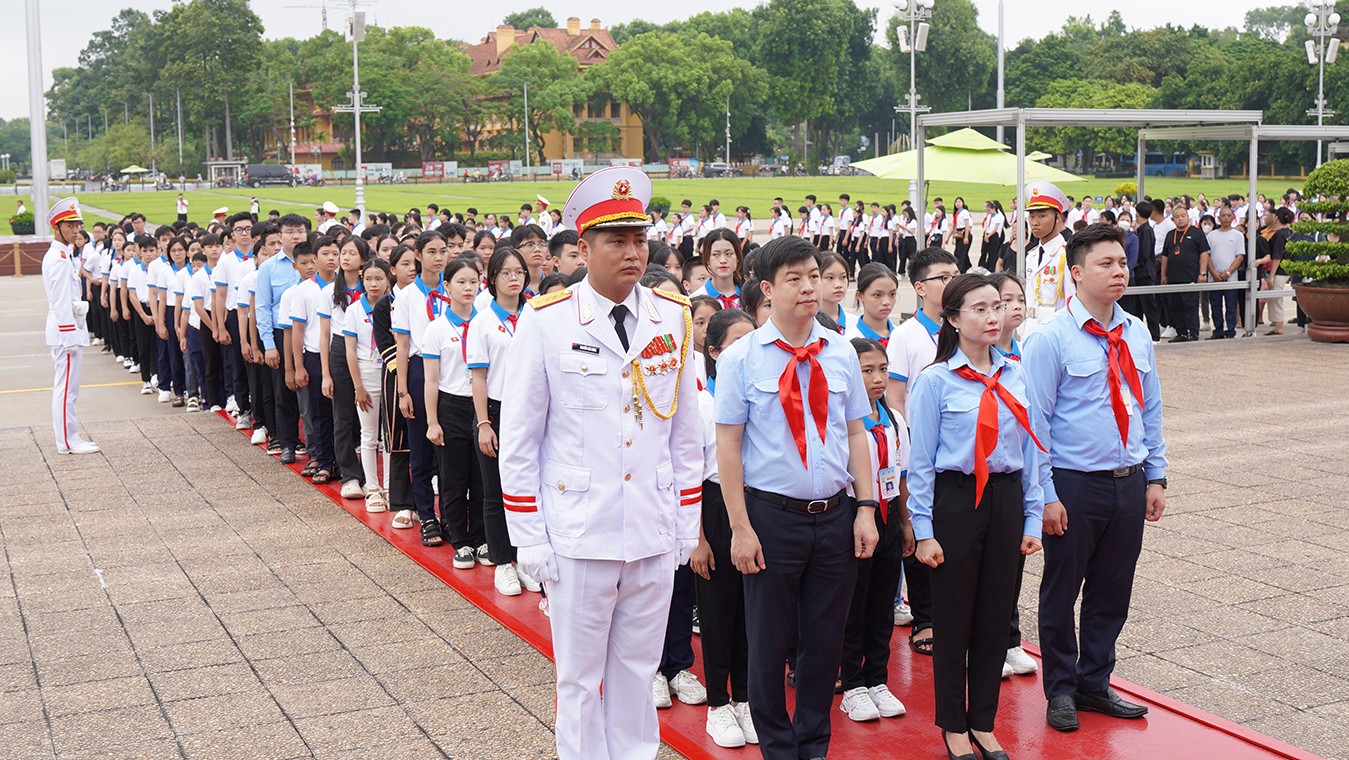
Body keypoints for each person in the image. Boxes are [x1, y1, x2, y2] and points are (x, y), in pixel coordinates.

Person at [499, 167, 703, 760]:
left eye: (639, 240)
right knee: (580, 680)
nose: (633, 253)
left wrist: (685, 522)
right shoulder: (546, 321)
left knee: (639, 674)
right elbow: (520, 440)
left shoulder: (673, 315)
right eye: (617, 241)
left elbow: (684, 434)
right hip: (578, 531)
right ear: (582, 249)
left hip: (650, 525)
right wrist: (528, 534)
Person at [714, 235, 878, 760]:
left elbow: (856, 432)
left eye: (814, 275)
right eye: (795, 278)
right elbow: (729, 445)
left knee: (823, 644)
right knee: (767, 644)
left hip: (834, 515)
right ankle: (778, 749)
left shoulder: (839, 352)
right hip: (770, 517)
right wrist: (740, 527)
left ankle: (814, 744)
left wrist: (867, 508)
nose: (810, 287)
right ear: (767, 287)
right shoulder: (742, 358)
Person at [1022, 223, 1168, 734]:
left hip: (1127, 480)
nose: (1119, 272)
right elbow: (1034, 423)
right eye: (1106, 264)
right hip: (1073, 484)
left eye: (1122, 263)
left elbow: (1150, 408)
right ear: (1076, 272)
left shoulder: (1135, 330)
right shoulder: (1047, 339)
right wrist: (1046, 495)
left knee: (1113, 588)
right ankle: (1060, 688)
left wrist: (1156, 476)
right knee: (1062, 590)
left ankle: (1094, 681)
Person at [908, 273, 1046, 760]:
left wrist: (1032, 520)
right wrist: (923, 531)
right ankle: (953, 725)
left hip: (1006, 499)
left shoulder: (1016, 372)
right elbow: (920, 464)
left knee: (995, 616)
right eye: (980, 309)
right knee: (954, 618)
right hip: (956, 502)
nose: (993, 317)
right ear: (952, 318)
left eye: (999, 307)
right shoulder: (935, 380)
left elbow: (1032, 453)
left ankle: (984, 721)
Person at [690, 307, 760, 748]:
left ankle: (746, 700)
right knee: (718, 612)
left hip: (759, 504)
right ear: (713, 352)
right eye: (736, 343)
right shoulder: (699, 402)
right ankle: (719, 703)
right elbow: (687, 473)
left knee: (755, 610)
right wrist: (697, 539)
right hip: (713, 507)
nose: (747, 351)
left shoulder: (763, 391)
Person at [838, 337, 914, 724]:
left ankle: (877, 678)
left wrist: (905, 523)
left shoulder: (895, 419)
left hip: (888, 516)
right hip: (855, 515)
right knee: (856, 602)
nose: (877, 378)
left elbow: (900, 476)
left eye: (882, 369)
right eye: (866, 370)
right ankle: (851, 683)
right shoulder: (843, 421)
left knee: (883, 603)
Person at [467, 246, 540, 596]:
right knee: (495, 491)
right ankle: (502, 562)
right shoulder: (482, 321)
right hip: (496, 410)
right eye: (506, 273)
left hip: (532, 409)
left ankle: (526, 559)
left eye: (519, 273)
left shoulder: (537, 314)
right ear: (492, 278)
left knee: (529, 488)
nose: (514, 279)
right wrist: (483, 423)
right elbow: (478, 377)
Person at [422, 256, 487, 568]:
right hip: (450, 405)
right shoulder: (436, 329)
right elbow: (432, 379)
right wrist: (433, 421)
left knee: (482, 476)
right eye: (461, 282)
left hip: (482, 406)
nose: (468, 288)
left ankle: (481, 538)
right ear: (446, 286)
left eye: (473, 282)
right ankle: (460, 540)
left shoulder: (486, 322)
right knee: (453, 477)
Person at [43, 198, 99, 454]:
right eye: (71, 226)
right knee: (66, 390)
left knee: (69, 389)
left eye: (78, 225)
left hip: (69, 329)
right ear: (58, 227)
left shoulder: (63, 254)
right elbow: (61, 300)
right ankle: (67, 441)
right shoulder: (57, 258)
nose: (77, 231)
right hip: (65, 332)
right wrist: (69, 336)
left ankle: (70, 437)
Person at [1023, 183, 1074, 334]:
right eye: (1031, 216)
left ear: (1058, 218)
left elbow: (1071, 300)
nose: (1034, 222)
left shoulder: (1066, 255)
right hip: (1030, 330)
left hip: (1056, 331)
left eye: (1042, 216)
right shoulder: (1031, 255)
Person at [1160, 204, 1210, 343]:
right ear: (1172, 219)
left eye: (1183, 216)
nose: (1180, 219)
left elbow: (1204, 253)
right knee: (1175, 306)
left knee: (1191, 306)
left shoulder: (1196, 232)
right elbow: (1165, 256)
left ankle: (1193, 332)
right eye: (1177, 217)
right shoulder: (1170, 235)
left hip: (1190, 277)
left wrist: (1202, 273)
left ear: (1188, 217)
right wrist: (1163, 275)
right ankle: (1181, 332)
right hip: (1173, 277)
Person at [1205, 206, 1245, 340]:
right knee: (1215, 306)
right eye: (1224, 215)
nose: (1226, 218)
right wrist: (1213, 273)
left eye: (1229, 215)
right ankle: (1218, 331)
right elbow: (1207, 256)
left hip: (1231, 278)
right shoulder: (1211, 235)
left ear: (1233, 217)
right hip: (1214, 278)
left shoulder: (1238, 235)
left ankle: (1230, 330)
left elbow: (1239, 257)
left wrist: (1227, 273)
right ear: (1218, 218)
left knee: (1231, 305)